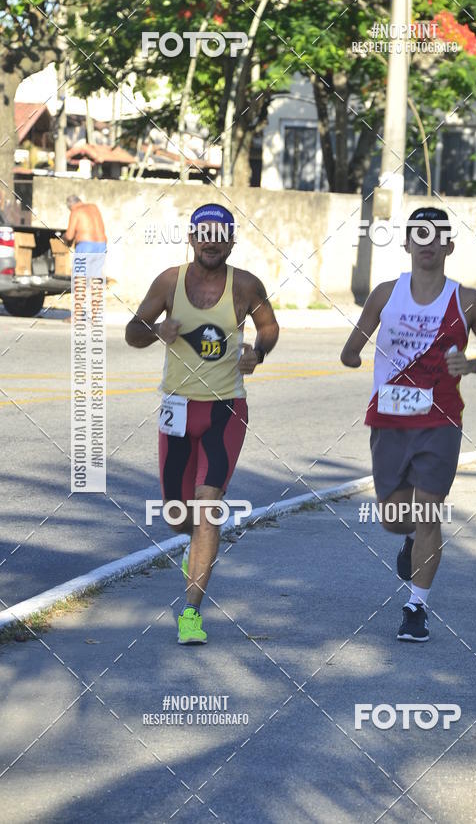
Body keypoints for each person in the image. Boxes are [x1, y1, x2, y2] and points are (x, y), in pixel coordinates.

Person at [125, 203, 279, 645]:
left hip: (224, 410)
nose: (211, 241)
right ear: (191, 238)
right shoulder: (169, 282)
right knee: (178, 516)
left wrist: (258, 352)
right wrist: (156, 332)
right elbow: (132, 331)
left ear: (231, 241)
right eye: (203, 233)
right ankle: (194, 551)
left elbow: (269, 327)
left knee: (208, 508)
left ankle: (190, 612)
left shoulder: (246, 285)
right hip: (176, 410)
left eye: (220, 234)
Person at [341, 207, 476, 642]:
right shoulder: (385, 294)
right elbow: (351, 350)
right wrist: (355, 357)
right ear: (407, 244)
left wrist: (474, 364)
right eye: (418, 236)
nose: (427, 244)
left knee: (427, 510)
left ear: (449, 245)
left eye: (436, 236)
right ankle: (408, 540)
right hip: (388, 419)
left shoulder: (468, 301)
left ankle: (415, 607)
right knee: (393, 518)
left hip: (439, 421)